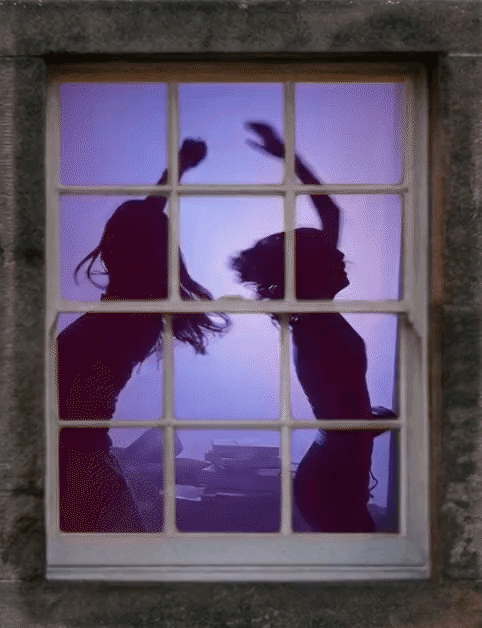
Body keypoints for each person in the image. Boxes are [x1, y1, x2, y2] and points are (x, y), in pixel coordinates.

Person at [58, 139, 229, 532]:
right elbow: (145, 224)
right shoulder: (122, 308)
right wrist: (175, 171)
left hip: (78, 473)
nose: (106, 245)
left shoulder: (129, 317)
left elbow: (77, 412)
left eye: (114, 237)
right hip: (77, 466)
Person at [230, 122, 379, 532]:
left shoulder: (317, 313)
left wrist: (288, 156)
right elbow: (341, 419)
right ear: (309, 275)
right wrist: (374, 421)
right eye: (330, 257)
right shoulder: (315, 329)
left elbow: (330, 211)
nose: (341, 257)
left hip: (337, 471)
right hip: (332, 479)